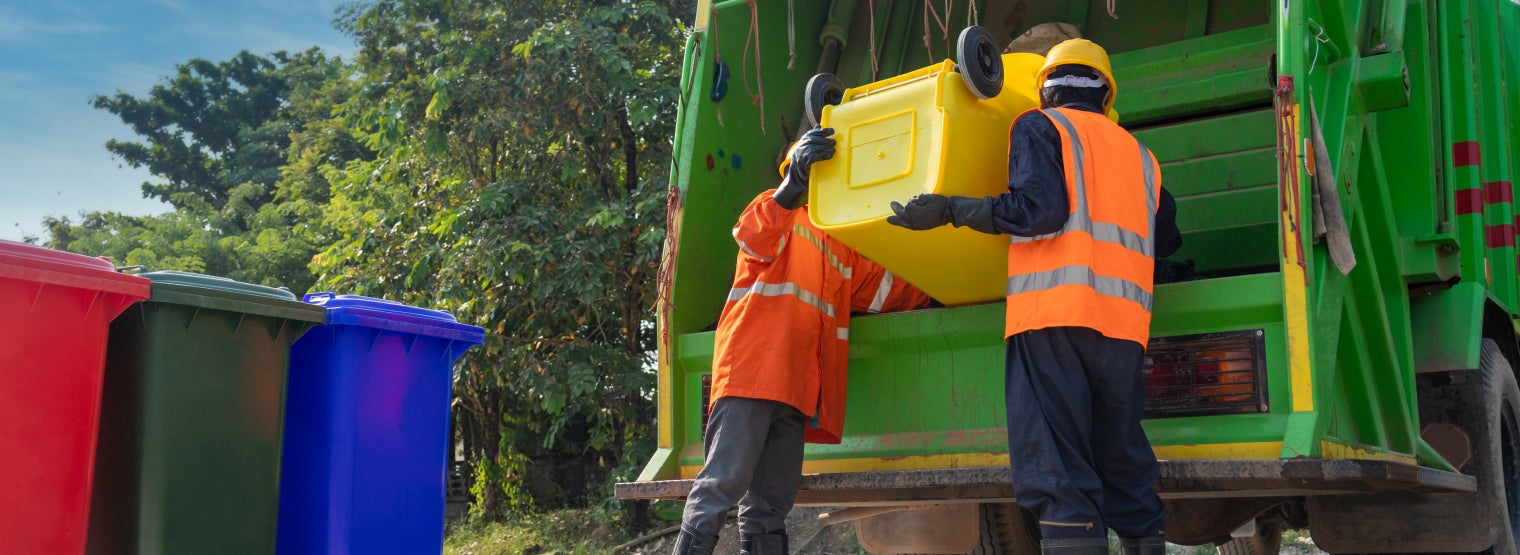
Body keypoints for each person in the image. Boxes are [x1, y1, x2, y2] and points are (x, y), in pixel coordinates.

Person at [885, 38, 1180, 555]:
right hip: (1124, 329)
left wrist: (951, 208)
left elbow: (1038, 210)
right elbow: (1167, 237)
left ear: (1045, 89)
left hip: (1052, 319)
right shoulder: (1143, 157)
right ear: (1106, 95)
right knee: (1123, 459)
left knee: (1059, 471)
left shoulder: (1040, 126)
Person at [673, 127, 934, 555]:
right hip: (752, 377)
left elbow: (887, 290)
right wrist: (790, 185)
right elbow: (751, 234)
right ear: (795, 171)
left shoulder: (839, 246)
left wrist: (938, 289)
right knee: (722, 485)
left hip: (796, 390)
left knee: (771, 502)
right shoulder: (772, 213)